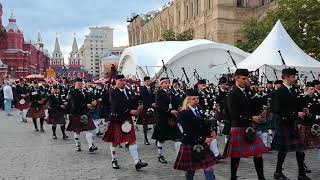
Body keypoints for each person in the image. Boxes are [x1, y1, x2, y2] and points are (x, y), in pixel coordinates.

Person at [226, 69, 269, 180]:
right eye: (244, 79)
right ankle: (233, 177)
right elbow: (234, 114)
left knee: (258, 152)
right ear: (236, 78)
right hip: (238, 126)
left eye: (247, 78)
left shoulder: (248, 92)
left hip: (249, 127)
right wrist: (251, 117)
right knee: (236, 155)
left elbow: (253, 106)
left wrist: (262, 110)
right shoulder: (232, 94)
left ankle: (261, 177)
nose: (246, 81)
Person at [271, 68, 311, 180]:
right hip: (283, 123)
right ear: (287, 77)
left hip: (292, 124)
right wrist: (295, 113)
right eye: (293, 77)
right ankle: (278, 173)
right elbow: (276, 109)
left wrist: (303, 109)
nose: (295, 79)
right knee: (283, 151)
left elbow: (296, 104)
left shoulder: (294, 90)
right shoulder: (278, 92)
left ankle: (301, 174)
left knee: (300, 149)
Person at [102, 74, 148, 170]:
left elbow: (131, 102)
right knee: (114, 141)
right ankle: (114, 160)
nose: (123, 82)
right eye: (121, 80)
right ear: (116, 81)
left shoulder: (127, 91)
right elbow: (116, 106)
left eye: (124, 80)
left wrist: (138, 106)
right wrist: (129, 111)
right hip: (117, 119)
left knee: (132, 140)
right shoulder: (113, 92)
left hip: (127, 119)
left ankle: (137, 162)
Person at [174, 89, 217, 180]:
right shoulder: (183, 113)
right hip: (190, 142)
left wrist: (210, 132)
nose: (196, 100)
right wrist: (203, 139)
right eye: (194, 99)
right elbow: (189, 131)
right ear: (188, 100)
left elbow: (203, 125)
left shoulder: (200, 110)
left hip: (202, 142)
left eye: (197, 98)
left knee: (208, 166)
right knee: (191, 168)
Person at [152, 77, 181, 164]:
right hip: (163, 118)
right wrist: (169, 110)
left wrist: (179, 107)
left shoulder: (172, 92)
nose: (167, 84)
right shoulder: (159, 93)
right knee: (161, 139)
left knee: (177, 138)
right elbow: (159, 105)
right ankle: (160, 155)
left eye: (168, 82)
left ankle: (178, 157)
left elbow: (176, 101)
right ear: (161, 84)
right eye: (164, 83)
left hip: (172, 118)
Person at [66, 78, 98, 152]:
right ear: (75, 84)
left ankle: (91, 146)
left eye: (81, 84)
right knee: (77, 131)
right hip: (77, 114)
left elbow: (88, 99)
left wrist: (93, 102)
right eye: (79, 84)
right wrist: (86, 105)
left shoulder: (84, 91)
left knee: (88, 130)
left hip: (85, 114)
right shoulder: (72, 93)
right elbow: (75, 104)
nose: (80, 85)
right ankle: (78, 145)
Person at [137, 76, 158, 145]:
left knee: (155, 124)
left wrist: (155, 103)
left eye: (149, 81)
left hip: (153, 108)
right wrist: (151, 103)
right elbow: (144, 99)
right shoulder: (142, 89)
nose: (149, 82)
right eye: (147, 81)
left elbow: (153, 98)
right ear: (145, 82)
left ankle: (156, 139)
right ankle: (145, 139)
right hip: (145, 108)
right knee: (145, 125)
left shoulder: (152, 89)